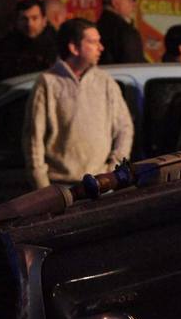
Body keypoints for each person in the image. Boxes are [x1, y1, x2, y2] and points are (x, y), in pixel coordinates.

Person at [23, 17, 133, 190]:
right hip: (60, 186)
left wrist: (113, 171)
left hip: (100, 185)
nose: (101, 48)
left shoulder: (105, 82)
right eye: (93, 42)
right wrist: (42, 185)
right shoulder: (48, 82)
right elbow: (33, 138)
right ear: (74, 47)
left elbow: (124, 127)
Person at [0, 0, 57, 79]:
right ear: (17, 21)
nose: (29, 24)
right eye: (24, 19)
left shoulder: (57, 46)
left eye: (34, 18)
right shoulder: (5, 47)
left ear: (44, 21)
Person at [97, 0, 144, 64]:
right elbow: (134, 64)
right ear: (115, 3)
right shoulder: (125, 31)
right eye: (129, 0)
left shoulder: (93, 28)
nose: (133, 5)